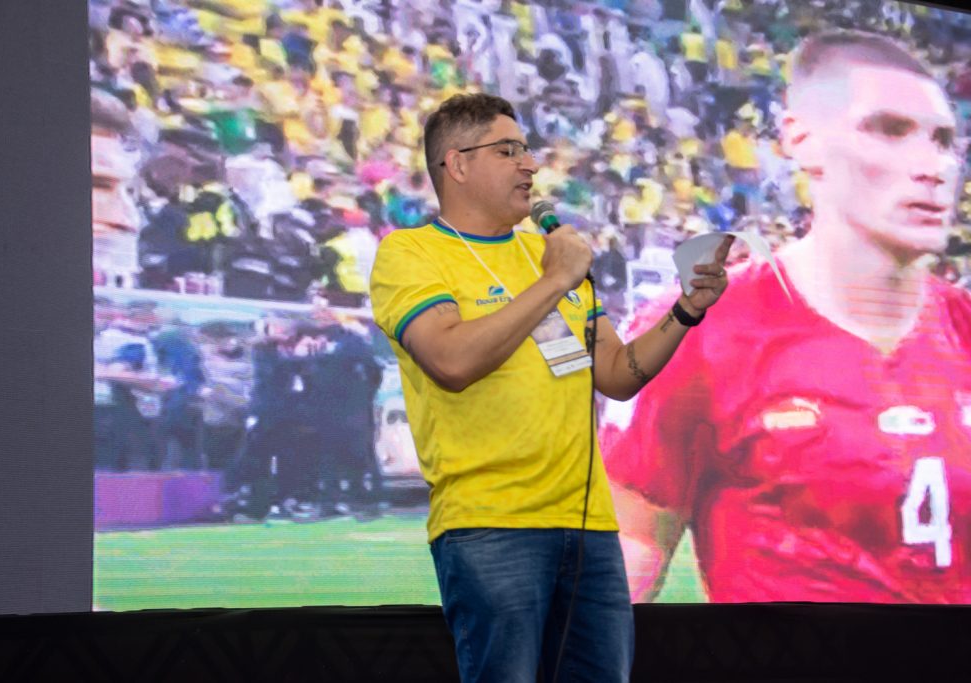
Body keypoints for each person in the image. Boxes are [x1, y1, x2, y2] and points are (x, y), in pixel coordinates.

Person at [369, 93, 733, 682]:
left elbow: (618, 374)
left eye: (528, 150)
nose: (530, 165)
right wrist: (556, 278)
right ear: (456, 164)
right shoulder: (411, 253)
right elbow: (451, 360)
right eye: (508, 150)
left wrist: (686, 311)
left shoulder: (548, 252)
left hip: (590, 529)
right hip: (492, 525)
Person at [605, 30, 971, 604]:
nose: (932, 166)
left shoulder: (964, 330)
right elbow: (624, 556)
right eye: (890, 129)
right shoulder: (697, 333)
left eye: (944, 140)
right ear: (801, 141)